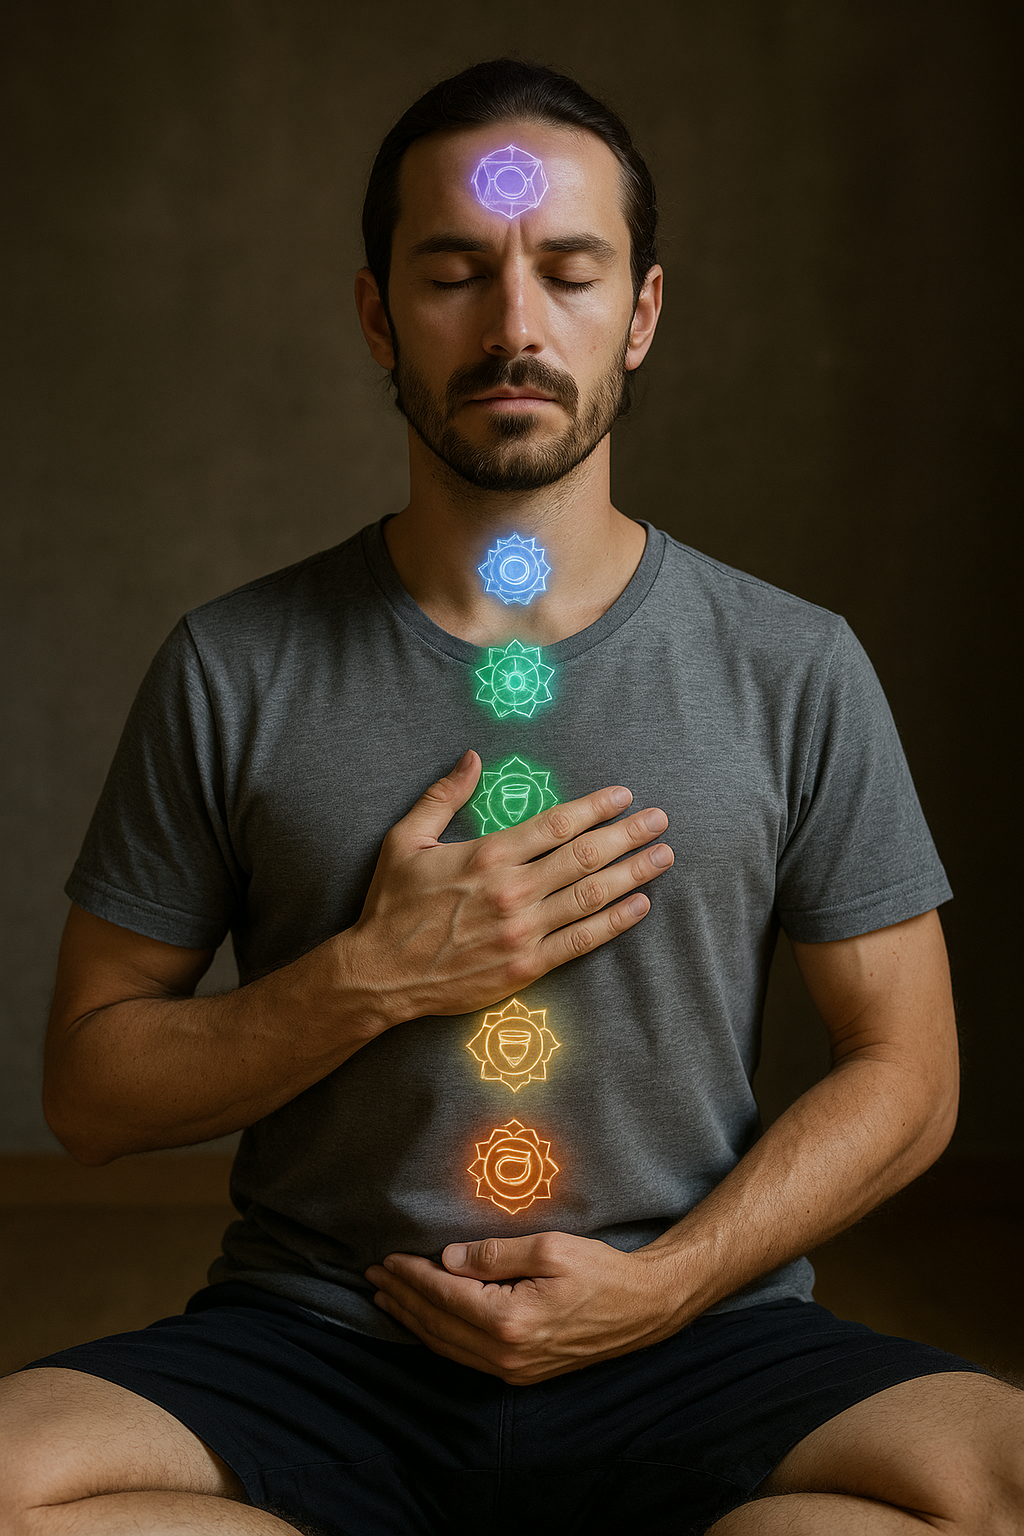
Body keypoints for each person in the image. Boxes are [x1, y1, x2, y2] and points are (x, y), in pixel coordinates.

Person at [2, 56, 1021, 1536]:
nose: (515, 324)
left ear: (643, 313)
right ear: (378, 316)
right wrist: (366, 979)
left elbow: (911, 1073)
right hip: (319, 1345)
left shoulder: (796, 665)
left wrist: (661, 1287)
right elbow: (87, 1095)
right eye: (456, 273)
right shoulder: (232, 665)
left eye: (569, 271)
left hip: (695, 1341)